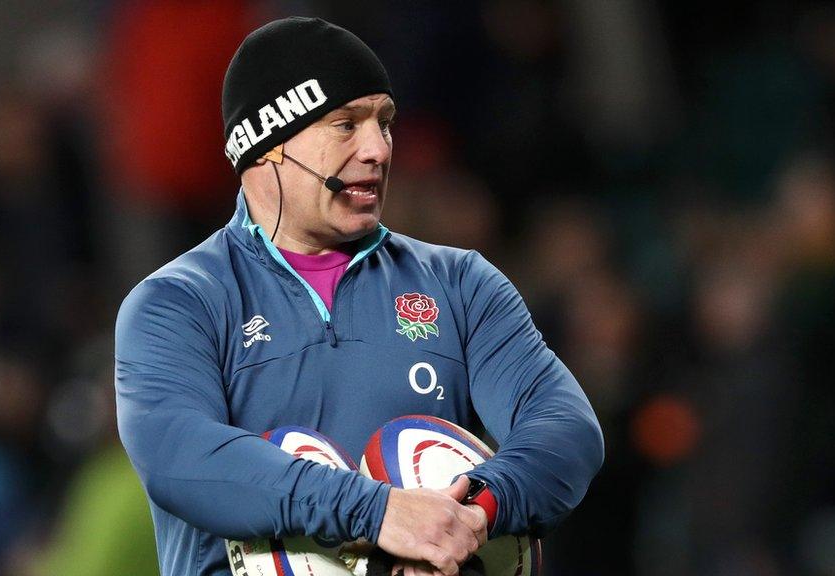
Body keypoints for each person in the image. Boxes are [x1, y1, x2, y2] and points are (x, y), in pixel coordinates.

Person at [115, 17, 603, 576]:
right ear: (267, 146)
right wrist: (379, 514)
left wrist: (474, 513)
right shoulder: (177, 304)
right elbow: (182, 458)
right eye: (346, 125)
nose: (378, 149)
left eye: (385, 123)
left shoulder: (462, 283)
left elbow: (567, 427)